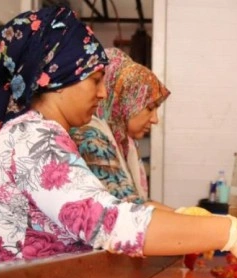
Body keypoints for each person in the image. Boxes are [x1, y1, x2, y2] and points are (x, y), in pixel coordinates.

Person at [0, 6, 237, 270]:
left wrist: (190, 225)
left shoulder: (39, 133)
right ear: (56, 78)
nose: (103, 93)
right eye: (95, 80)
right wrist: (230, 231)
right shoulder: (33, 141)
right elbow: (107, 223)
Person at [70, 48, 169, 208]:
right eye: (150, 108)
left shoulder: (124, 142)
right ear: (124, 102)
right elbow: (129, 207)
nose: (155, 119)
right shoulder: (90, 138)